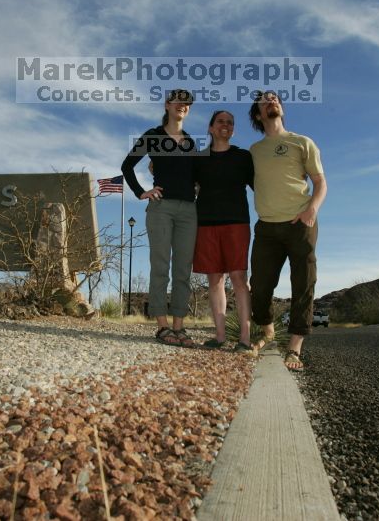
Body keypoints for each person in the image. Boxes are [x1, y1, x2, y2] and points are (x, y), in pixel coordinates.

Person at [248, 90, 327, 370]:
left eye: (276, 98)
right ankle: (268, 332)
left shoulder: (301, 142)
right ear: (258, 114)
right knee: (258, 285)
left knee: (303, 283)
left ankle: (294, 348)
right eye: (265, 100)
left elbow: (320, 182)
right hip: (266, 227)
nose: (273, 101)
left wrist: (311, 211)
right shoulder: (254, 152)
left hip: (300, 223)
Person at [121, 89, 198, 346]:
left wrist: (197, 186)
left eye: (187, 103)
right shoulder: (153, 136)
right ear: (167, 105)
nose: (182, 106)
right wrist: (141, 192)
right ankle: (163, 327)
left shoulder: (190, 141)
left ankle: (180, 327)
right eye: (178, 101)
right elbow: (127, 166)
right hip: (161, 208)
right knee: (161, 266)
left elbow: (193, 174)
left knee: (183, 269)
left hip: (189, 210)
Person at [192, 110, 254, 350]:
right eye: (220, 121)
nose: (225, 125)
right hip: (206, 224)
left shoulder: (243, 157)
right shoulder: (199, 159)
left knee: (239, 278)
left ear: (233, 130)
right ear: (210, 128)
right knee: (215, 279)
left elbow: (260, 186)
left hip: (236, 223)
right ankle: (220, 337)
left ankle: (245, 340)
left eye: (230, 122)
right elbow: (185, 182)